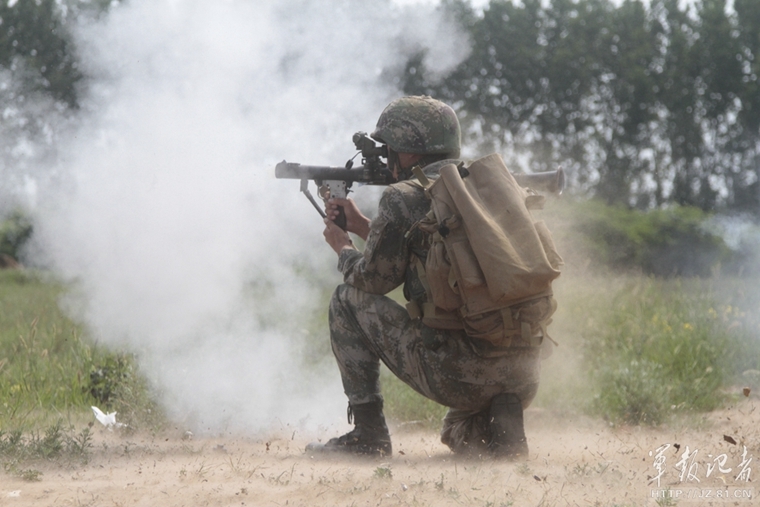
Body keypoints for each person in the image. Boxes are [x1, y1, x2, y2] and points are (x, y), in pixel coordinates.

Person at [308, 96, 549, 459]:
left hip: (459, 375)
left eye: (390, 149)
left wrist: (343, 247)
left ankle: (368, 434)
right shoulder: (486, 187)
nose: (387, 157)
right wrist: (361, 226)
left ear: (408, 152)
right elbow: (436, 254)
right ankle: (503, 421)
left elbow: (373, 280)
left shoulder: (401, 197)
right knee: (461, 433)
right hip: (523, 377)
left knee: (346, 299)